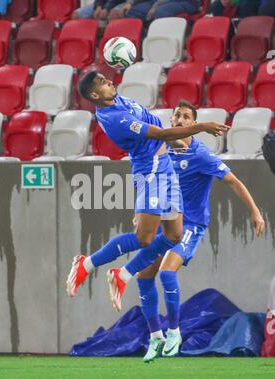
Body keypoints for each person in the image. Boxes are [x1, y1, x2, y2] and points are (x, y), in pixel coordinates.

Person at [115, 100, 265, 362]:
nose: (179, 119)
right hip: (164, 224)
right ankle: (155, 336)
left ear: (193, 125)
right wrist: (141, 213)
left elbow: (233, 181)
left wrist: (254, 211)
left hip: (190, 225)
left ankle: (174, 331)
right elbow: (147, 180)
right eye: (176, 116)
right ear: (171, 122)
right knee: (143, 275)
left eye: (186, 116)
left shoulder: (201, 155)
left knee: (165, 271)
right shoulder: (160, 150)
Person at [66, 71, 229, 310]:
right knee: (144, 238)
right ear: (94, 95)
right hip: (151, 171)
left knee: (174, 235)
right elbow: (161, 133)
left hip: (166, 168)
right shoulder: (114, 118)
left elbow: (156, 129)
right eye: (102, 82)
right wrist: (201, 126)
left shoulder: (116, 98)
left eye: (106, 78)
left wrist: (171, 143)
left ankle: (121, 275)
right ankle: (86, 264)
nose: (110, 81)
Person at [110, 0, 200, 22]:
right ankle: (143, 43)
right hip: (156, 2)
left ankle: (165, 46)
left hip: (187, 1)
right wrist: (130, 2)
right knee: (130, 11)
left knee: (162, 12)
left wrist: (156, 6)